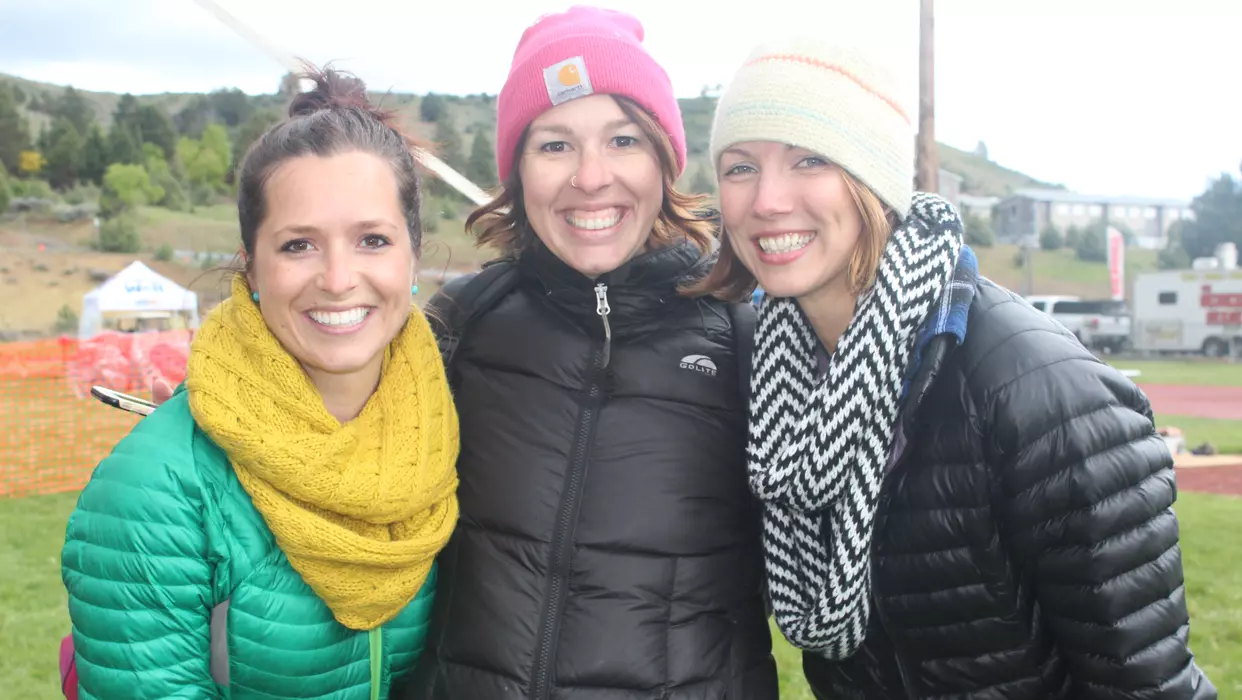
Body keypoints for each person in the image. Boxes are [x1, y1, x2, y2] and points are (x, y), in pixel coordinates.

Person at [696, 36, 1217, 699]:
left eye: (811, 159)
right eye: (740, 167)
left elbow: (1146, 683)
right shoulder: (776, 378)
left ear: (874, 178)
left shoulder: (1038, 388)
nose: (768, 200)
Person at [401, 6, 777, 698]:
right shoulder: (460, 326)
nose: (592, 177)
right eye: (555, 146)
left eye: (623, 140)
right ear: (518, 172)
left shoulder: (745, 342)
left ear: (664, 160)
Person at [60, 67, 459, 699]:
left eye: (372, 240)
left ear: (413, 255)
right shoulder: (157, 489)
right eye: (299, 245)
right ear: (251, 270)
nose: (338, 279)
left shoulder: (442, 437)